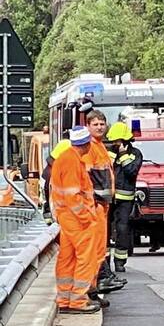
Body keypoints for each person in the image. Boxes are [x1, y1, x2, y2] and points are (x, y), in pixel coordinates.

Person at [50, 127, 100, 313]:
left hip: (67, 217)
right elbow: (73, 195)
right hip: (77, 219)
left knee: (67, 258)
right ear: (86, 144)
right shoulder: (72, 161)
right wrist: (86, 217)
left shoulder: (65, 158)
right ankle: (78, 300)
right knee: (85, 258)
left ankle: (64, 299)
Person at [83, 110, 124, 298]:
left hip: (102, 204)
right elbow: (87, 177)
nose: (99, 127)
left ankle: (100, 281)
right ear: (88, 126)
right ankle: (97, 282)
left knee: (100, 246)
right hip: (96, 204)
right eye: (95, 124)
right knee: (96, 247)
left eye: (102, 124)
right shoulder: (90, 147)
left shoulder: (99, 147)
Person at [106, 122, 142, 273]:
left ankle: (120, 261)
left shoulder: (136, 154)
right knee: (105, 230)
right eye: (114, 141)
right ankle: (105, 262)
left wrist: (123, 155)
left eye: (119, 141)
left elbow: (131, 172)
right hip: (108, 198)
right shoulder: (107, 153)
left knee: (122, 229)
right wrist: (115, 155)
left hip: (125, 200)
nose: (116, 143)